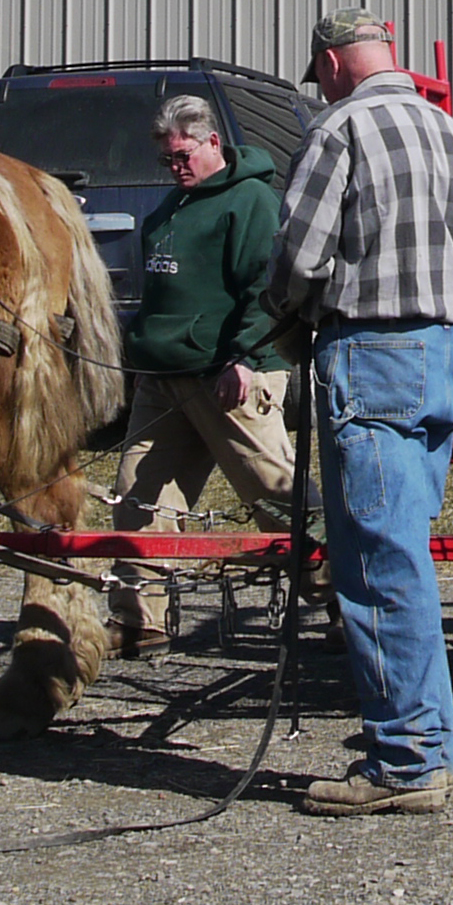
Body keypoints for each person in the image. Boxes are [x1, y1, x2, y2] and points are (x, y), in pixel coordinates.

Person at [270, 8, 453, 816]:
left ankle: (407, 757)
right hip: (443, 353)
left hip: (371, 353)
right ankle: (421, 743)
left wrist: (280, 315)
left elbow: (300, 254)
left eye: (320, 75)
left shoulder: (340, 129)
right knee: (405, 551)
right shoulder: (448, 131)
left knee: (374, 561)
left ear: (331, 63)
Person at [109, 95, 296, 657]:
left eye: (183, 155)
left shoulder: (252, 202)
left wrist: (244, 357)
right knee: (137, 495)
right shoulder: (172, 206)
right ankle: (142, 620)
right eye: (167, 159)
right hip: (164, 376)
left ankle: (338, 597)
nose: (176, 167)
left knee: (275, 493)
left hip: (232, 377)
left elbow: (266, 288)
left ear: (213, 142)